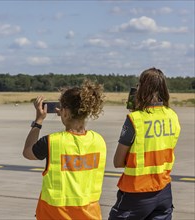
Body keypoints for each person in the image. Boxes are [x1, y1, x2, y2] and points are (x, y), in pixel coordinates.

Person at [23, 79, 106, 220]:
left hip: (55, 215)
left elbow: (27, 152)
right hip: (90, 214)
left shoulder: (52, 141)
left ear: (65, 112)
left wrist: (38, 121)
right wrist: (66, 115)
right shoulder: (99, 140)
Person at [109, 67, 181, 220]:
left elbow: (117, 161)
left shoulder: (135, 119)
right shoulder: (172, 116)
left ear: (142, 88)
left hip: (136, 193)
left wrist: (135, 113)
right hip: (163, 192)